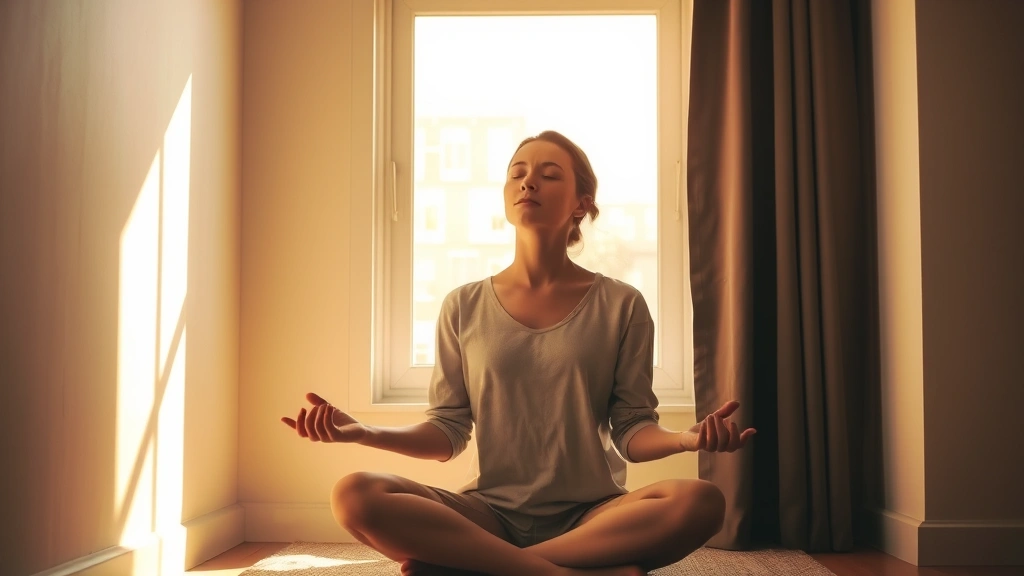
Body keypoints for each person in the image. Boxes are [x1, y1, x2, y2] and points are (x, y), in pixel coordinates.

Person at [282, 130, 756, 576]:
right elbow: (447, 433)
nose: (528, 180)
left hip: (592, 516)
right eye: (517, 172)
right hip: (485, 513)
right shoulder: (463, 305)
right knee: (354, 495)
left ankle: (479, 565)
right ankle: (557, 571)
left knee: (701, 502)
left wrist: (685, 440)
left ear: (580, 204)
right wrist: (364, 432)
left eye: (550, 174)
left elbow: (631, 428)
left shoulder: (622, 304)